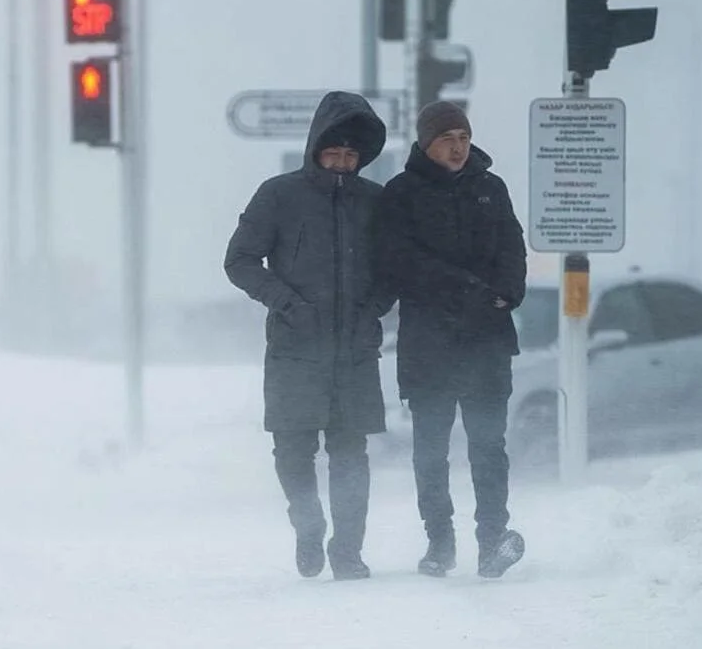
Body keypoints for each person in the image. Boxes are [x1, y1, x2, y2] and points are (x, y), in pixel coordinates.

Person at [225, 91, 394, 580]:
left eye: (351, 155)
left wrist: (373, 310)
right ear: (315, 149)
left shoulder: (374, 202)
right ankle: (307, 523)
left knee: (351, 454)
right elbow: (239, 261)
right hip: (295, 349)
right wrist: (288, 304)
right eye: (333, 152)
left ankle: (348, 552)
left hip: (355, 351)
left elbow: (394, 269)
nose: (342, 163)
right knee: (292, 451)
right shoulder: (278, 195)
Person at [379, 101, 527, 579]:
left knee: (488, 444)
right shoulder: (401, 194)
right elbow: (402, 262)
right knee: (431, 450)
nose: (458, 146)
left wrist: (508, 292)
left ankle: (491, 542)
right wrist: (469, 291)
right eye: (448, 138)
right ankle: (439, 543)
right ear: (426, 143)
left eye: (463, 137)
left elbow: (512, 247)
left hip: (487, 340)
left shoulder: (491, 188)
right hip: (430, 343)